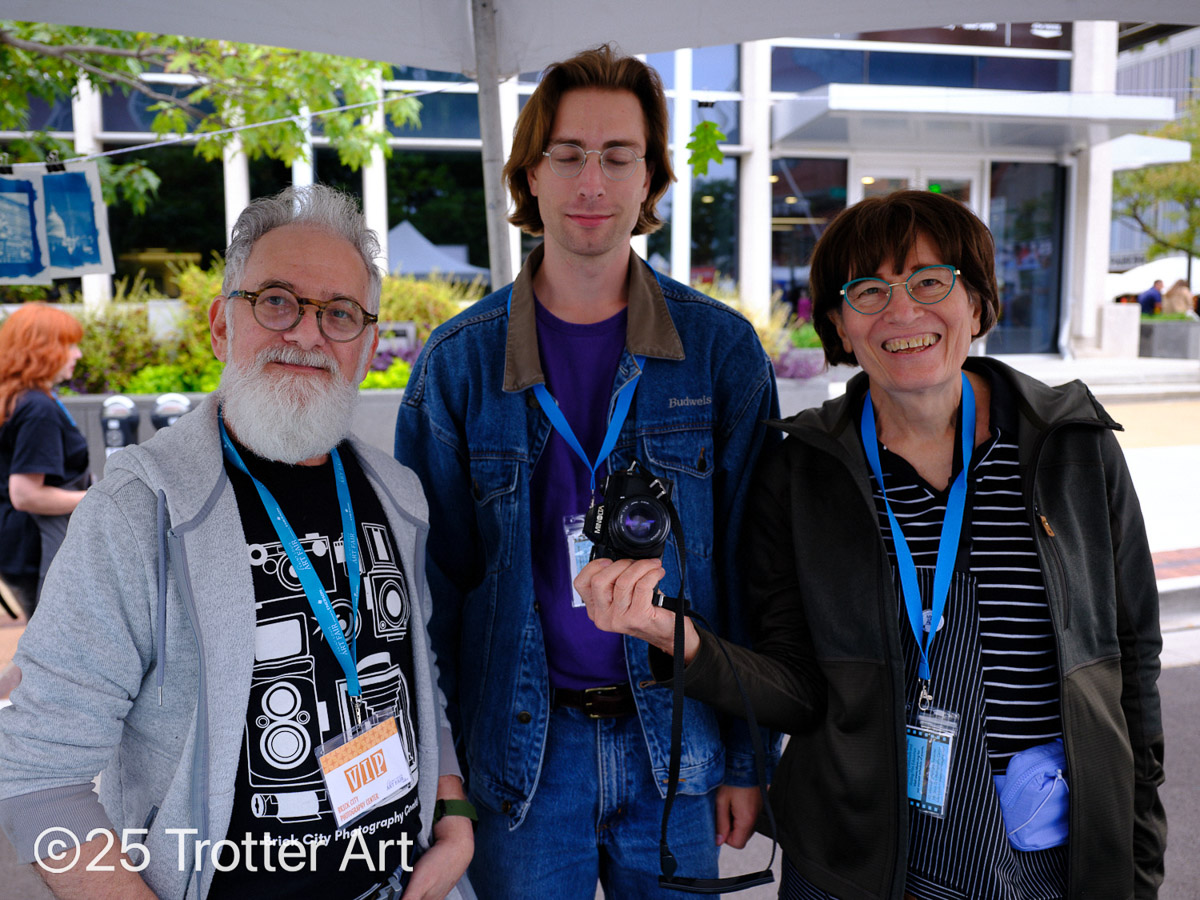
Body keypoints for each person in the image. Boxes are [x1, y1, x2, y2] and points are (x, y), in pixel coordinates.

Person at [578, 190, 1166, 898]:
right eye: (869, 291)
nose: (902, 311)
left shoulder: (1072, 448)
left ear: (977, 302)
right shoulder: (801, 471)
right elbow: (799, 688)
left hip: (1053, 852)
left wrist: (1139, 861)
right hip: (861, 860)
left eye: (930, 281)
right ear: (840, 324)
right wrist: (668, 635)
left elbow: (1131, 665)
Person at [0, 185, 474, 900]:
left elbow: (413, 670)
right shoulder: (139, 510)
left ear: (368, 347)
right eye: (277, 301)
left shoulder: (398, 492)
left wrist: (454, 815)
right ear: (223, 325)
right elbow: (39, 778)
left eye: (340, 313)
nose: (308, 334)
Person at [394, 44, 779, 898]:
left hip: (677, 747)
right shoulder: (459, 364)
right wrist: (442, 780)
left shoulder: (719, 352)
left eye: (617, 156)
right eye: (567, 155)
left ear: (650, 179)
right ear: (530, 174)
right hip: (521, 762)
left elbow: (753, 566)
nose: (592, 182)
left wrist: (747, 756)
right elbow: (429, 593)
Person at [0, 303, 90, 618]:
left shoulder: (16, 398)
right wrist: (98, 498)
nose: (77, 354)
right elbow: (26, 495)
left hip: (17, 547)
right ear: (43, 350)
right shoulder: (38, 409)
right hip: (38, 549)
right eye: (70, 345)